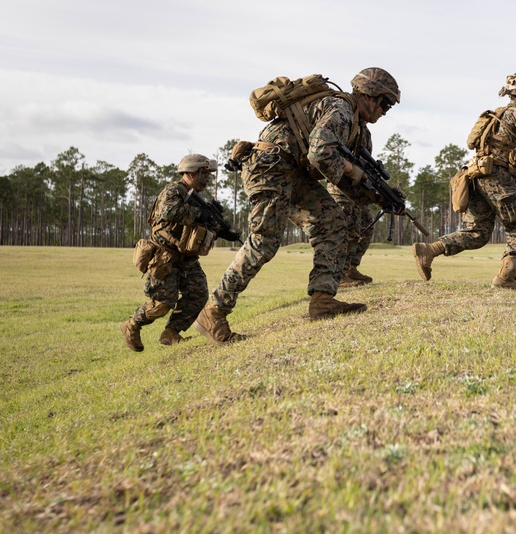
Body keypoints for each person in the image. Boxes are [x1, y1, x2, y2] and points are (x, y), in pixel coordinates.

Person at [194, 67, 401, 343]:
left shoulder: (359, 130)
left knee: (332, 222)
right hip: (270, 166)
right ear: (367, 94)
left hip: (292, 171)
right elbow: (320, 152)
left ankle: (322, 299)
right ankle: (214, 312)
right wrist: (353, 171)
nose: (385, 110)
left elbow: (345, 181)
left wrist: (378, 196)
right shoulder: (340, 108)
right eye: (384, 102)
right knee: (265, 240)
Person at [412, 72, 516, 291]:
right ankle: (506, 277)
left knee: (478, 233)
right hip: (497, 177)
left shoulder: (498, 115)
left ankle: (430, 250)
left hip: (476, 176)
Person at [121, 154, 239, 351]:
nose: (207, 178)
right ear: (192, 173)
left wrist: (223, 231)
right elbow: (169, 212)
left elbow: (196, 229)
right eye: (204, 174)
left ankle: (172, 332)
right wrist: (201, 213)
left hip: (187, 258)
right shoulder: (174, 191)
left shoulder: (195, 197)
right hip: (164, 257)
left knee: (198, 295)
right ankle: (132, 325)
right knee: (161, 304)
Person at [329, 126, 376, 289]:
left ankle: (351, 268)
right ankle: (340, 274)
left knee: (366, 227)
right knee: (348, 230)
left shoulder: (364, 130)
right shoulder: (344, 121)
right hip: (341, 186)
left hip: (358, 187)